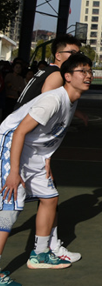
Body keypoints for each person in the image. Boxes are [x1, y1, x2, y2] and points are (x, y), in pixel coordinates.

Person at [0, 53, 93, 280]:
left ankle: (40, 255)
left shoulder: (73, 100)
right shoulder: (52, 100)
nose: (88, 75)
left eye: (90, 71)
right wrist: (14, 172)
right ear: (67, 76)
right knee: (10, 209)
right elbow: (19, 132)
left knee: (50, 198)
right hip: (13, 144)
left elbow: (50, 135)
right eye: (82, 71)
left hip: (36, 154)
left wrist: (47, 159)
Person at [13, 34, 84, 264]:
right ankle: (48, 249)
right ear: (58, 55)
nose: (75, 57)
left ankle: (48, 247)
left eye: (78, 53)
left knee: (49, 197)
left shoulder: (47, 71)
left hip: (27, 143)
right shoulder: (56, 76)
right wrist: (46, 157)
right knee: (11, 205)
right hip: (23, 144)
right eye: (71, 53)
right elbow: (46, 108)